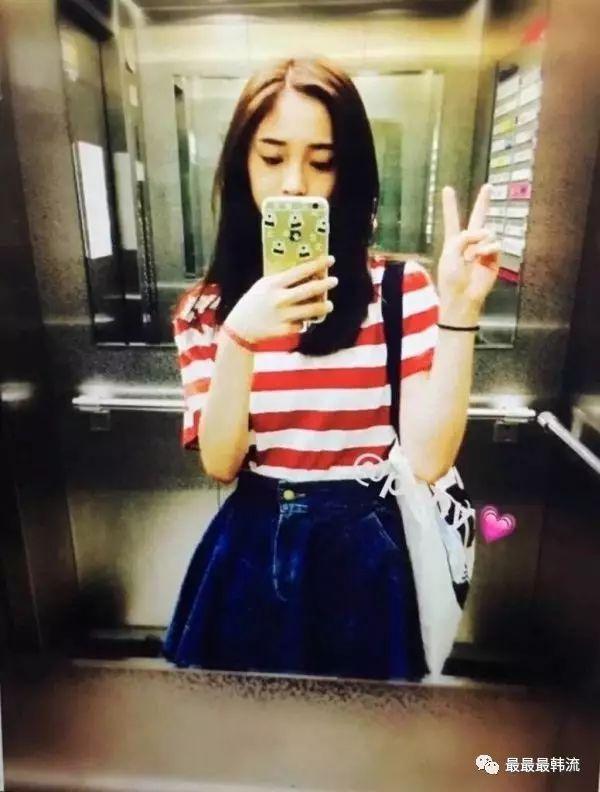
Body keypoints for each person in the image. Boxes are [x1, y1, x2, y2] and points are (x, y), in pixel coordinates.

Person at [163, 57, 500, 681]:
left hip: (365, 548)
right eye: (272, 157)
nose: (295, 183)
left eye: (321, 161)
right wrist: (239, 336)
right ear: (241, 165)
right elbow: (221, 462)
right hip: (252, 544)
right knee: (242, 727)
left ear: (349, 172)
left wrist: (460, 308)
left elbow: (429, 460)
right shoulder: (206, 311)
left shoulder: (399, 291)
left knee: (366, 731)